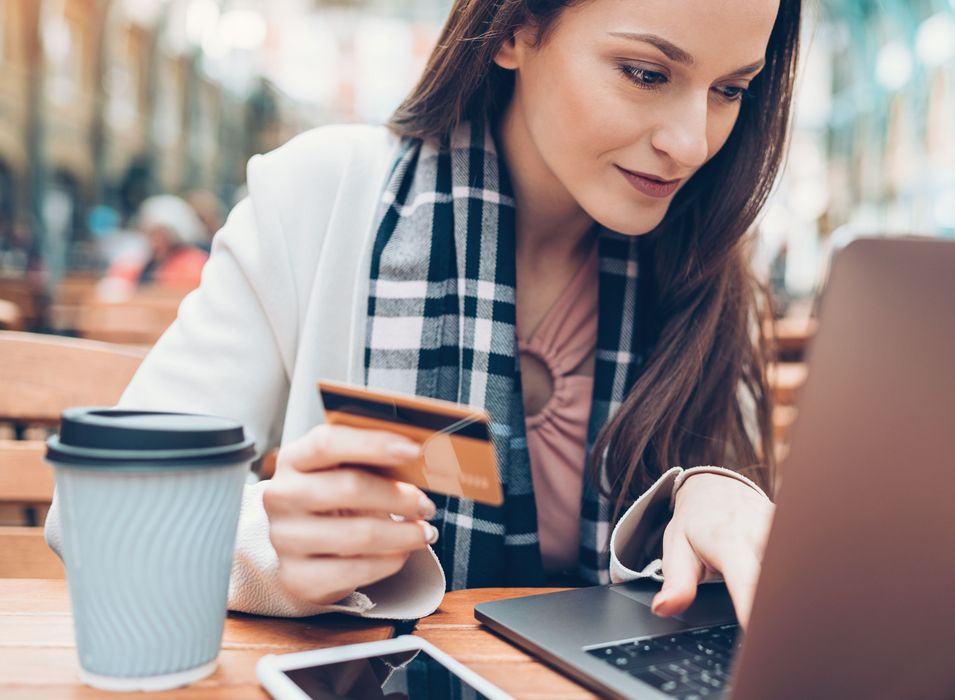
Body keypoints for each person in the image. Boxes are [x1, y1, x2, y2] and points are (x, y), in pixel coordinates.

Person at [47, 0, 801, 625]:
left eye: (730, 90)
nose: (690, 141)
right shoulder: (320, 197)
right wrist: (272, 549)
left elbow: (722, 581)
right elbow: (99, 520)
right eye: (645, 73)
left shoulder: (707, 267)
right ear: (514, 30)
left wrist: (717, 492)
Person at [98, 195, 209, 295]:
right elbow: (117, 281)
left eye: (162, 234)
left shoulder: (193, 262)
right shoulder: (142, 257)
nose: (156, 240)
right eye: (152, 233)